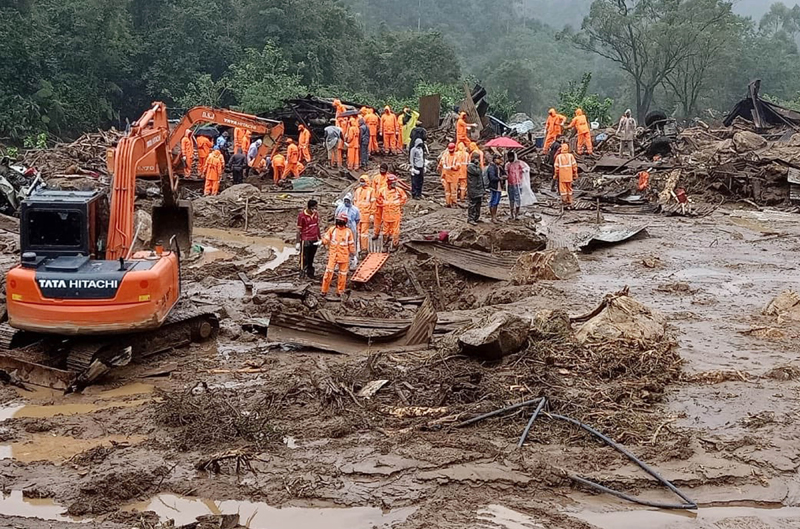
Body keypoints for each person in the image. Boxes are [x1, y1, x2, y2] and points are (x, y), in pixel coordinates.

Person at [321, 211, 356, 297]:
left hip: (343, 256)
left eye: (341, 221)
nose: (339, 222)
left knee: (342, 275)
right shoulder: (332, 230)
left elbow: (351, 244)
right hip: (333, 255)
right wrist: (321, 242)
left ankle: (340, 291)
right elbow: (326, 239)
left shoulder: (348, 232)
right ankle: (324, 290)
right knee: (328, 272)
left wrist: (353, 255)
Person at [378, 174, 408, 250]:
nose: (394, 185)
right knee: (385, 230)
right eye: (393, 183)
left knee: (395, 230)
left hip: (395, 214)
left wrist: (398, 203)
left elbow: (404, 198)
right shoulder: (382, 191)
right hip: (386, 214)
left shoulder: (399, 191)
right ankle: (385, 244)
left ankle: (395, 245)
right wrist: (384, 203)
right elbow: (378, 199)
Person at [335, 193, 362, 269]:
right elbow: (336, 216)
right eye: (345, 200)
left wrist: (351, 226)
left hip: (351, 228)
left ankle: (352, 260)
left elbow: (357, 219)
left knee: (352, 244)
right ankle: (339, 261)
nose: (346, 202)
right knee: (341, 244)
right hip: (341, 228)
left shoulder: (355, 209)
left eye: (348, 200)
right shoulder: (340, 207)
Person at [296, 199, 321, 279]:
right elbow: (299, 230)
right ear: (310, 208)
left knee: (311, 257)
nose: (316, 209)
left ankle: (310, 273)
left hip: (314, 238)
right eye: (314, 207)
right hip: (306, 239)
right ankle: (302, 272)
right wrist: (297, 242)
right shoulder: (302, 215)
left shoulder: (316, 214)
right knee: (304, 257)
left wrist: (320, 238)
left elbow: (317, 227)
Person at [353, 175, 375, 252]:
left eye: (363, 181)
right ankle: (359, 248)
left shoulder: (371, 190)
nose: (362, 183)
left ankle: (364, 248)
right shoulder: (358, 190)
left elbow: (373, 203)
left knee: (364, 233)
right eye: (361, 181)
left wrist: (372, 214)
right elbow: (355, 202)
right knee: (358, 232)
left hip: (366, 214)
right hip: (357, 215)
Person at [486, 154, 506, 223]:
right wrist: (500, 178)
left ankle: (494, 216)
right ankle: (493, 217)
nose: (500, 160)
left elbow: (504, 173)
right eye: (499, 159)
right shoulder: (491, 168)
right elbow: (492, 178)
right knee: (494, 202)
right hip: (494, 186)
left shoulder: (498, 167)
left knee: (496, 202)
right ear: (495, 160)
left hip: (498, 186)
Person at [438, 143, 459, 207]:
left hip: (451, 175)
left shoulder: (454, 155)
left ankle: (451, 202)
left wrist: (451, 167)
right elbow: (442, 162)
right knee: (450, 190)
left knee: (451, 190)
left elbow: (458, 165)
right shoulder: (448, 155)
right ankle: (450, 203)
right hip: (450, 175)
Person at [372, 163, 390, 238]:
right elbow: (373, 189)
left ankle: (386, 234)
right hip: (377, 201)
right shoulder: (376, 178)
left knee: (386, 218)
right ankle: (376, 233)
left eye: (383, 170)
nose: (382, 171)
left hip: (385, 202)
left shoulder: (388, 178)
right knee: (377, 218)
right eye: (381, 169)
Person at [466, 152, 484, 225]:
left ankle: (476, 217)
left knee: (478, 203)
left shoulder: (476, 166)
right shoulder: (470, 167)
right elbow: (478, 172)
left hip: (478, 188)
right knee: (472, 204)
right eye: (477, 158)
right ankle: (471, 218)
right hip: (473, 188)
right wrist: (478, 165)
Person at [505, 151, 524, 220]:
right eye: (509, 157)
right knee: (511, 199)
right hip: (510, 184)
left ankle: (517, 214)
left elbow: (524, 170)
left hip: (518, 183)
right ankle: (511, 213)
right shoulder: (507, 165)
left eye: (511, 157)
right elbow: (506, 173)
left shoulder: (519, 163)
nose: (510, 158)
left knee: (518, 198)